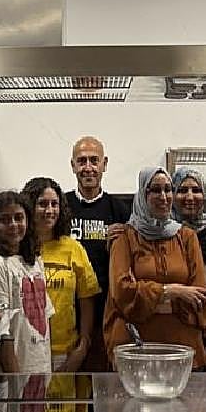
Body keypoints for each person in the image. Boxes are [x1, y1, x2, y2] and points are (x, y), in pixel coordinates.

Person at [104, 167, 206, 368]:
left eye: (168, 189)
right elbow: (122, 293)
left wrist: (146, 297)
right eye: (155, 190)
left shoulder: (187, 237)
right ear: (143, 195)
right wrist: (172, 291)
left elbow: (199, 298)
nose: (163, 196)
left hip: (181, 348)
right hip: (135, 348)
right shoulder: (124, 237)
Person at [63, 136, 128, 371]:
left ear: (104, 164)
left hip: (105, 313)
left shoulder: (120, 209)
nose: (88, 167)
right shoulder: (60, 206)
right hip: (65, 312)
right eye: (82, 161)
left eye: (94, 160)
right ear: (73, 165)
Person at [21, 177, 99, 373]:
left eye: (54, 204)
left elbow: (86, 298)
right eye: (42, 204)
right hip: (26, 349)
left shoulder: (73, 248)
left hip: (64, 351)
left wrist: (83, 345)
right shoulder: (18, 248)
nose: (49, 210)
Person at [0, 192, 53, 375]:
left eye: (19, 218)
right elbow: (2, 330)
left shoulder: (35, 261)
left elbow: (44, 317)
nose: (13, 225)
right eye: (5, 220)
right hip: (14, 369)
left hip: (41, 364)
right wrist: (15, 377)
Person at [171, 167, 206, 257]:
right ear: (173, 194)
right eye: (183, 191)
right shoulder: (164, 227)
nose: (190, 197)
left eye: (196, 190)